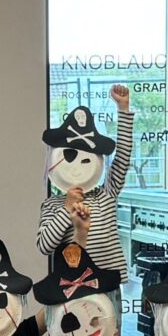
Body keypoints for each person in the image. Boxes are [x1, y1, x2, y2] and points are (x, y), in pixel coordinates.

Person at [36, 82, 136, 276]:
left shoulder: (106, 194)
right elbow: (45, 246)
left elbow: (123, 157)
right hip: (71, 284)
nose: (77, 168)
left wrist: (123, 109)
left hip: (108, 282)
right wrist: (67, 208)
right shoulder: (52, 205)